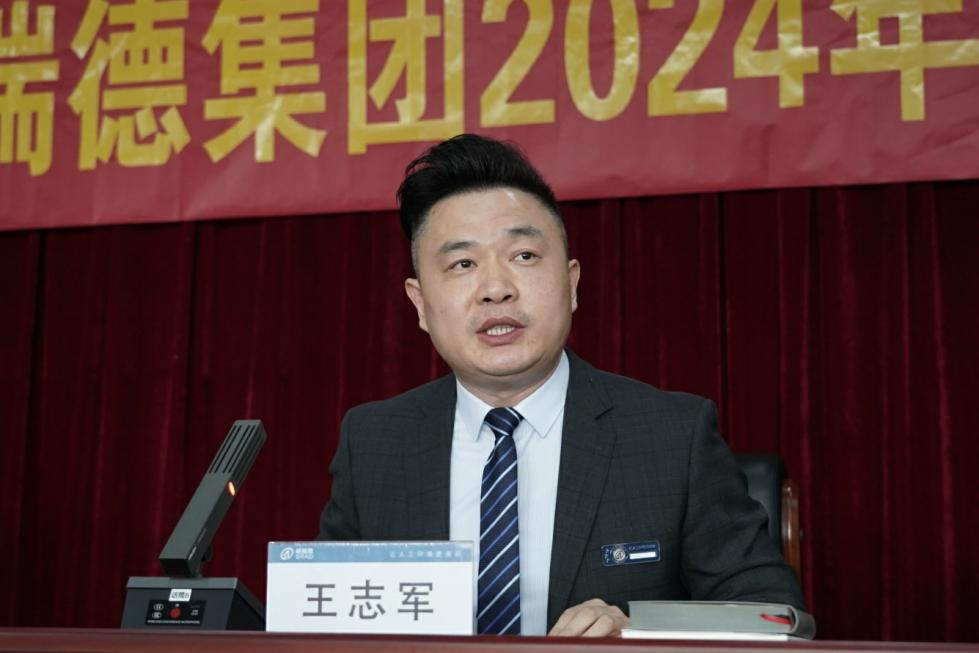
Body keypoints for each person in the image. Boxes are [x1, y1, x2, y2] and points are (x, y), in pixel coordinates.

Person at [318, 134, 806, 637]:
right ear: (420, 304)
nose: (496, 289)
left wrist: (640, 634)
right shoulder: (374, 443)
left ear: (572, 284)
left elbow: (771, 615)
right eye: (463, 264)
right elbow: (318, 625)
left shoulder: (673, 436)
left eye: (524, 255)